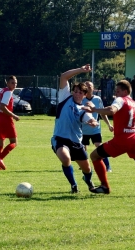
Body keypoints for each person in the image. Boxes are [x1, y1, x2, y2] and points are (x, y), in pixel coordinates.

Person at [82, 80, 135, 197]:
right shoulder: (133, 102)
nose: (115, 93)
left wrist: (94, 110)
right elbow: (113, 109)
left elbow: (112, 110)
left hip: (122, 139)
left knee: (94, 156)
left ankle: (105, 186)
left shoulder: (120, 100)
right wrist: (100, 109)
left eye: (118, 91)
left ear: (125, 91)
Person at [51, 65, 99, 193]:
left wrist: (93, 122)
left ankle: (88, 180)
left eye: (80, 92)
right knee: (65, 159)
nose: (77, 94)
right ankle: (73, 185)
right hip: (60, 138)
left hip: (76, 142)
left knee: (87, 169)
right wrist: (81, 70)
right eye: (75, 91)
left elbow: (88, 118)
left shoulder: (82, 109)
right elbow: (64, 77)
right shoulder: (65, 97)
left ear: (84, 95)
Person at [82, 81, 114, 172]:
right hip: (83, 129)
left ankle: (108, 166)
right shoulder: (81, 99)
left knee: (99, 146)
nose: (88, 88)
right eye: (86, 86)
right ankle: (84, 166)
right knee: (83, 148)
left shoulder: (97, 99)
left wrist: (109, 124)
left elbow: (102, 113)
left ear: (93, 88)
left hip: (95, 129)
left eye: (90, 86)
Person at [0, 75, 20, 170]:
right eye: (12, 83)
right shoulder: (8, 92)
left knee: (1, 142)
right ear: (7, 83)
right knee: (14, 142)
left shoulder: (2, 91)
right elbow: (2, 107)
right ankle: (0, 158)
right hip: (5, 118)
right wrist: (14, 116)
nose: (14, 85)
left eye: (15, 83)